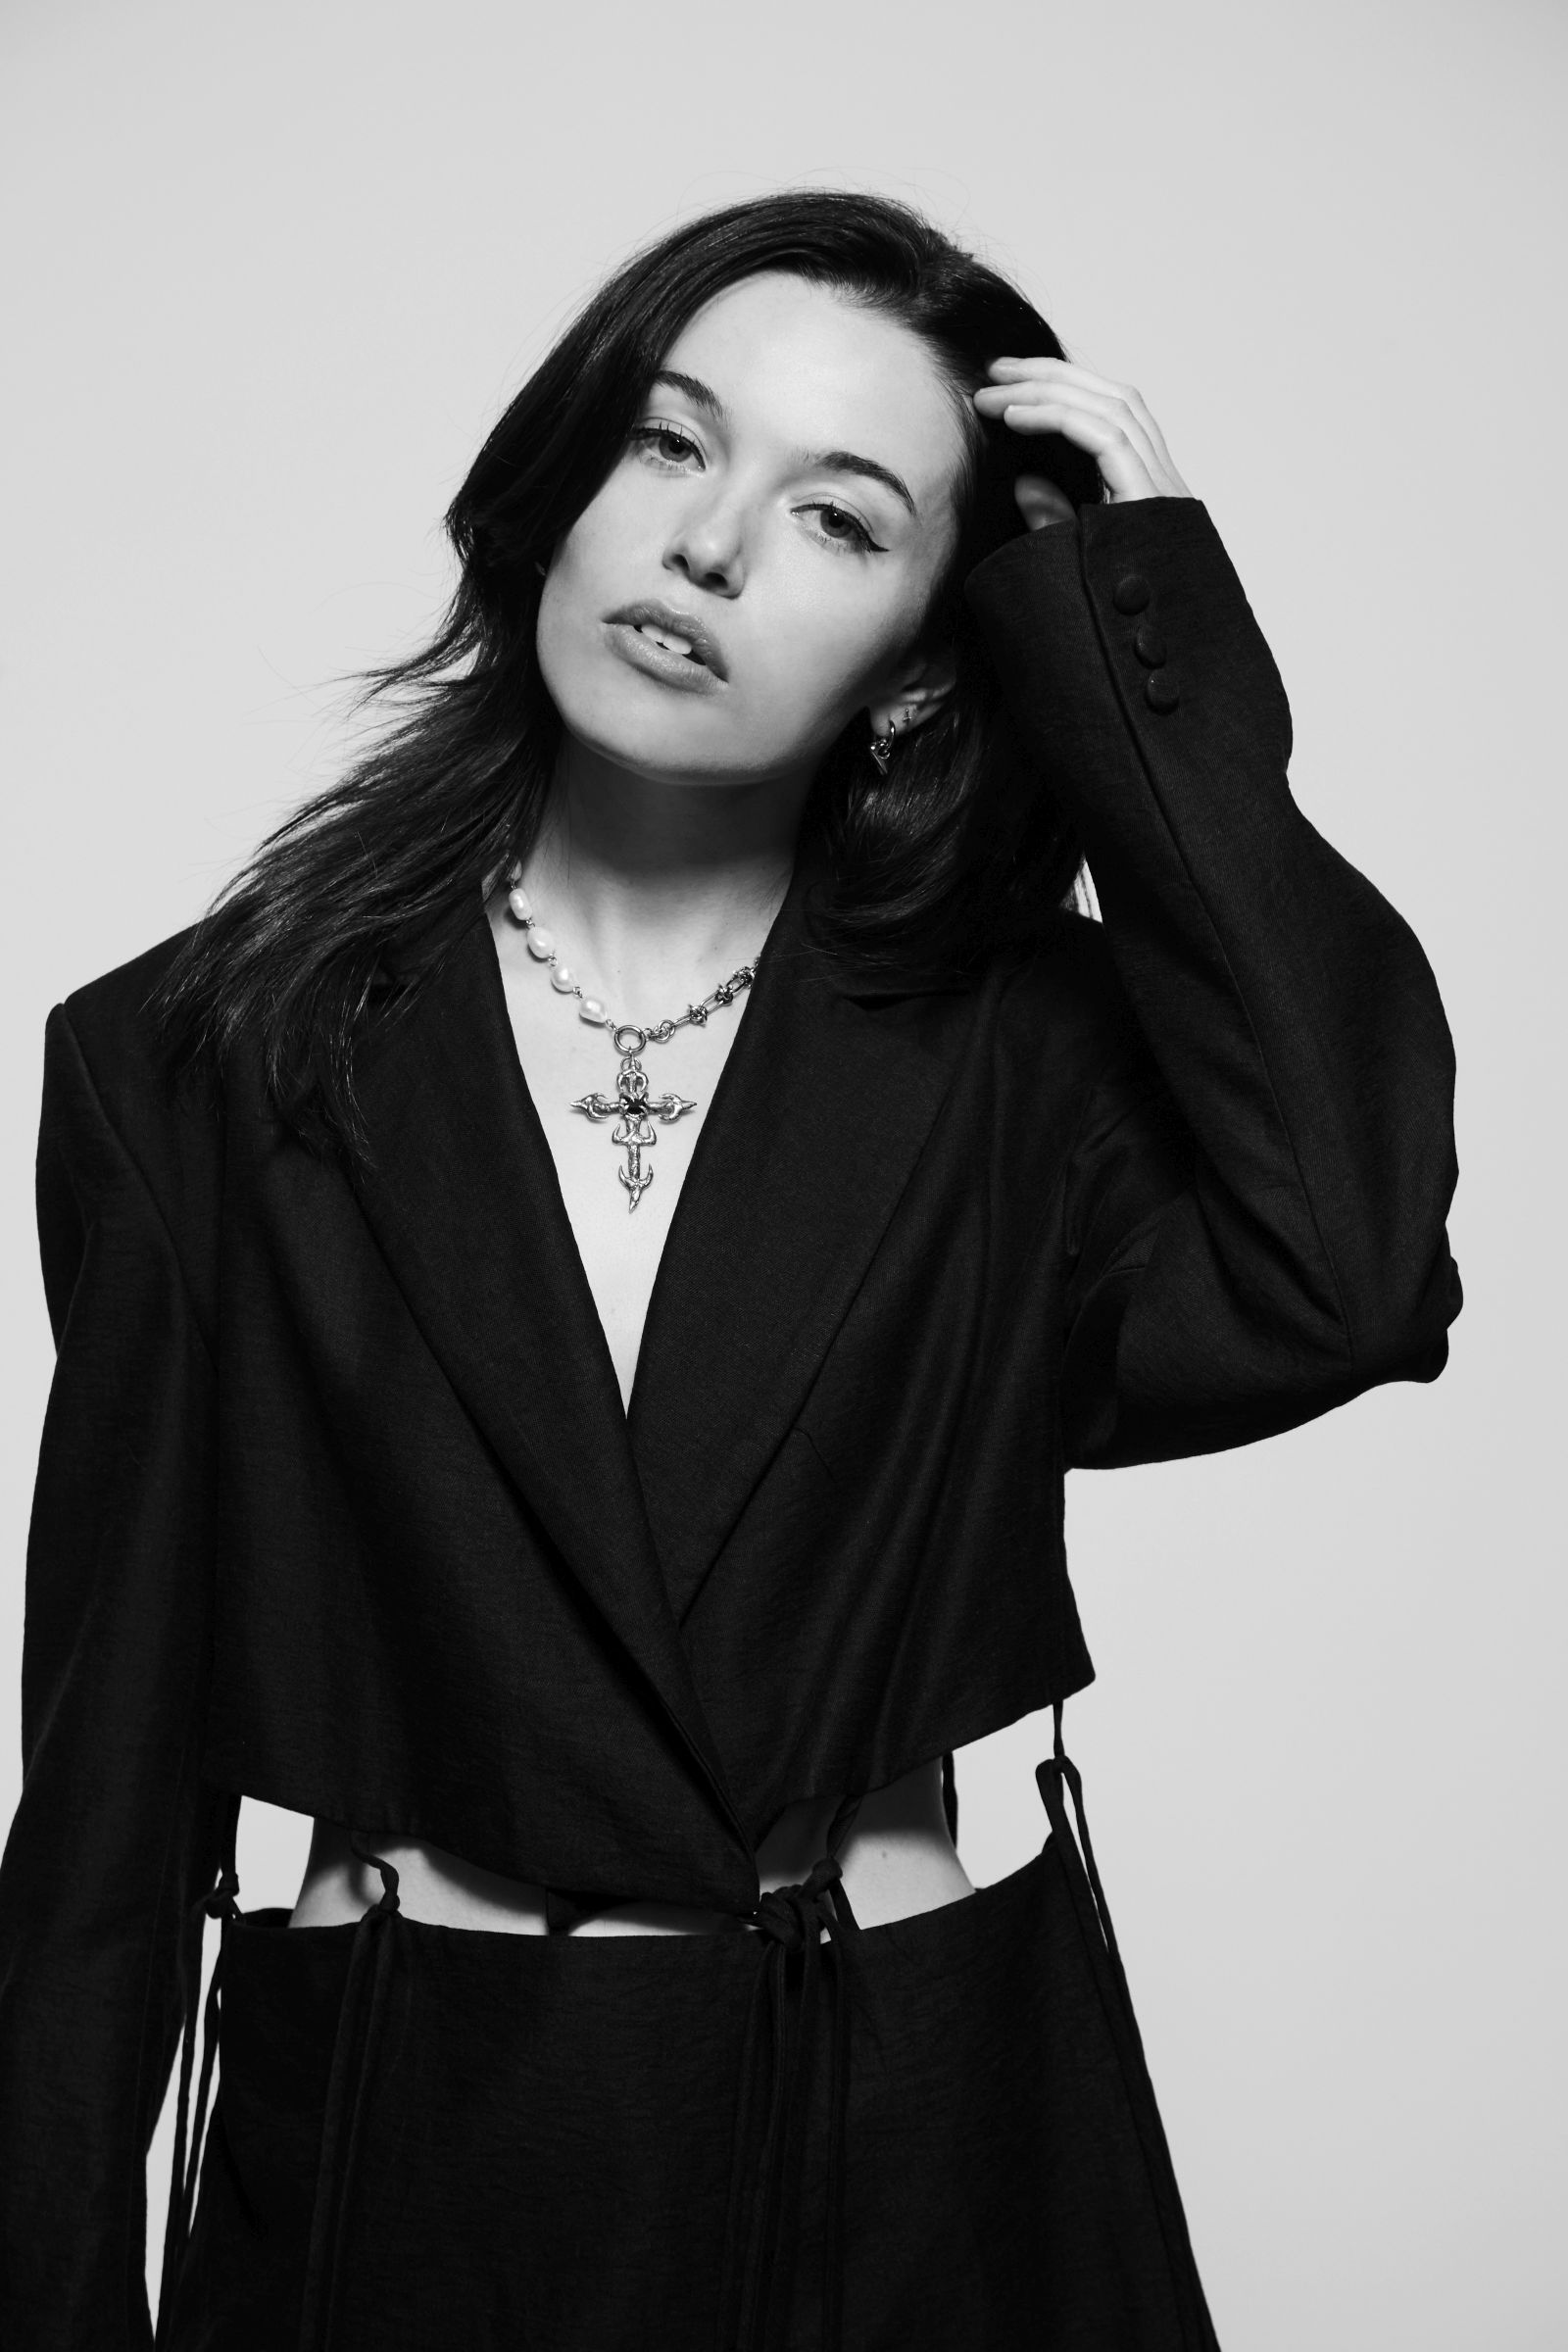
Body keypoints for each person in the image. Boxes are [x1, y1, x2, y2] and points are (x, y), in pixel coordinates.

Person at [0, 191, 1460, 2351]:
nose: (707, 547)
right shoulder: (199, 1058)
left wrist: (1140, 634)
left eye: (840, 520)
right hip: (414, 2166)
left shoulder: (1012, 1060)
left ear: (927, 660)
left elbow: (1345, 1276)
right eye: (670, 444)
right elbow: (107, 1809)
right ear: (561, 478)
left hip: (915, 2145)